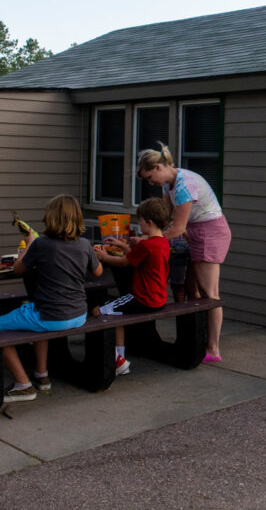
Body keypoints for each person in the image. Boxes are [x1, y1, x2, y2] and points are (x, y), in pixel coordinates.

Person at [0, 194, 102, 403]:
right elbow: (98, 272)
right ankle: (42, 375)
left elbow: (18, 269)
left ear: (51, 218)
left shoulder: (41, 245)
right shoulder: (85, 244)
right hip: (78, 314)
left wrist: (28, 245)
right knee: (38, 315)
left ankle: (23, 385)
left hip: (52, 316)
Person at [136, 143, 230, 363]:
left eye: (150, 177)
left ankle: (213, 350)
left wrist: (149, 238)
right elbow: (168, 219)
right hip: (194, 232)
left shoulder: (184, 185)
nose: (150, 182)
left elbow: (177, 229)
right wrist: (149, 230)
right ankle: (196, 341)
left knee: (210, 294)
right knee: (191, 291)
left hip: (209, 233)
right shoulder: (169, 185)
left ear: (159, 167)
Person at [92, 197, 171, 376]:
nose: (139, 224)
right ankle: (119, 359)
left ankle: (117, 360)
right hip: (158, 299)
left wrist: (103, 256)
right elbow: (136, 257)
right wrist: (122, 245)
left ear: (149, 222)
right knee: (117, 313)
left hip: (142, 298)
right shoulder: (162, 243)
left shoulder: (147, 245)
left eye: (141, 221)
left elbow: (122, 263)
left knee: (97, 312)